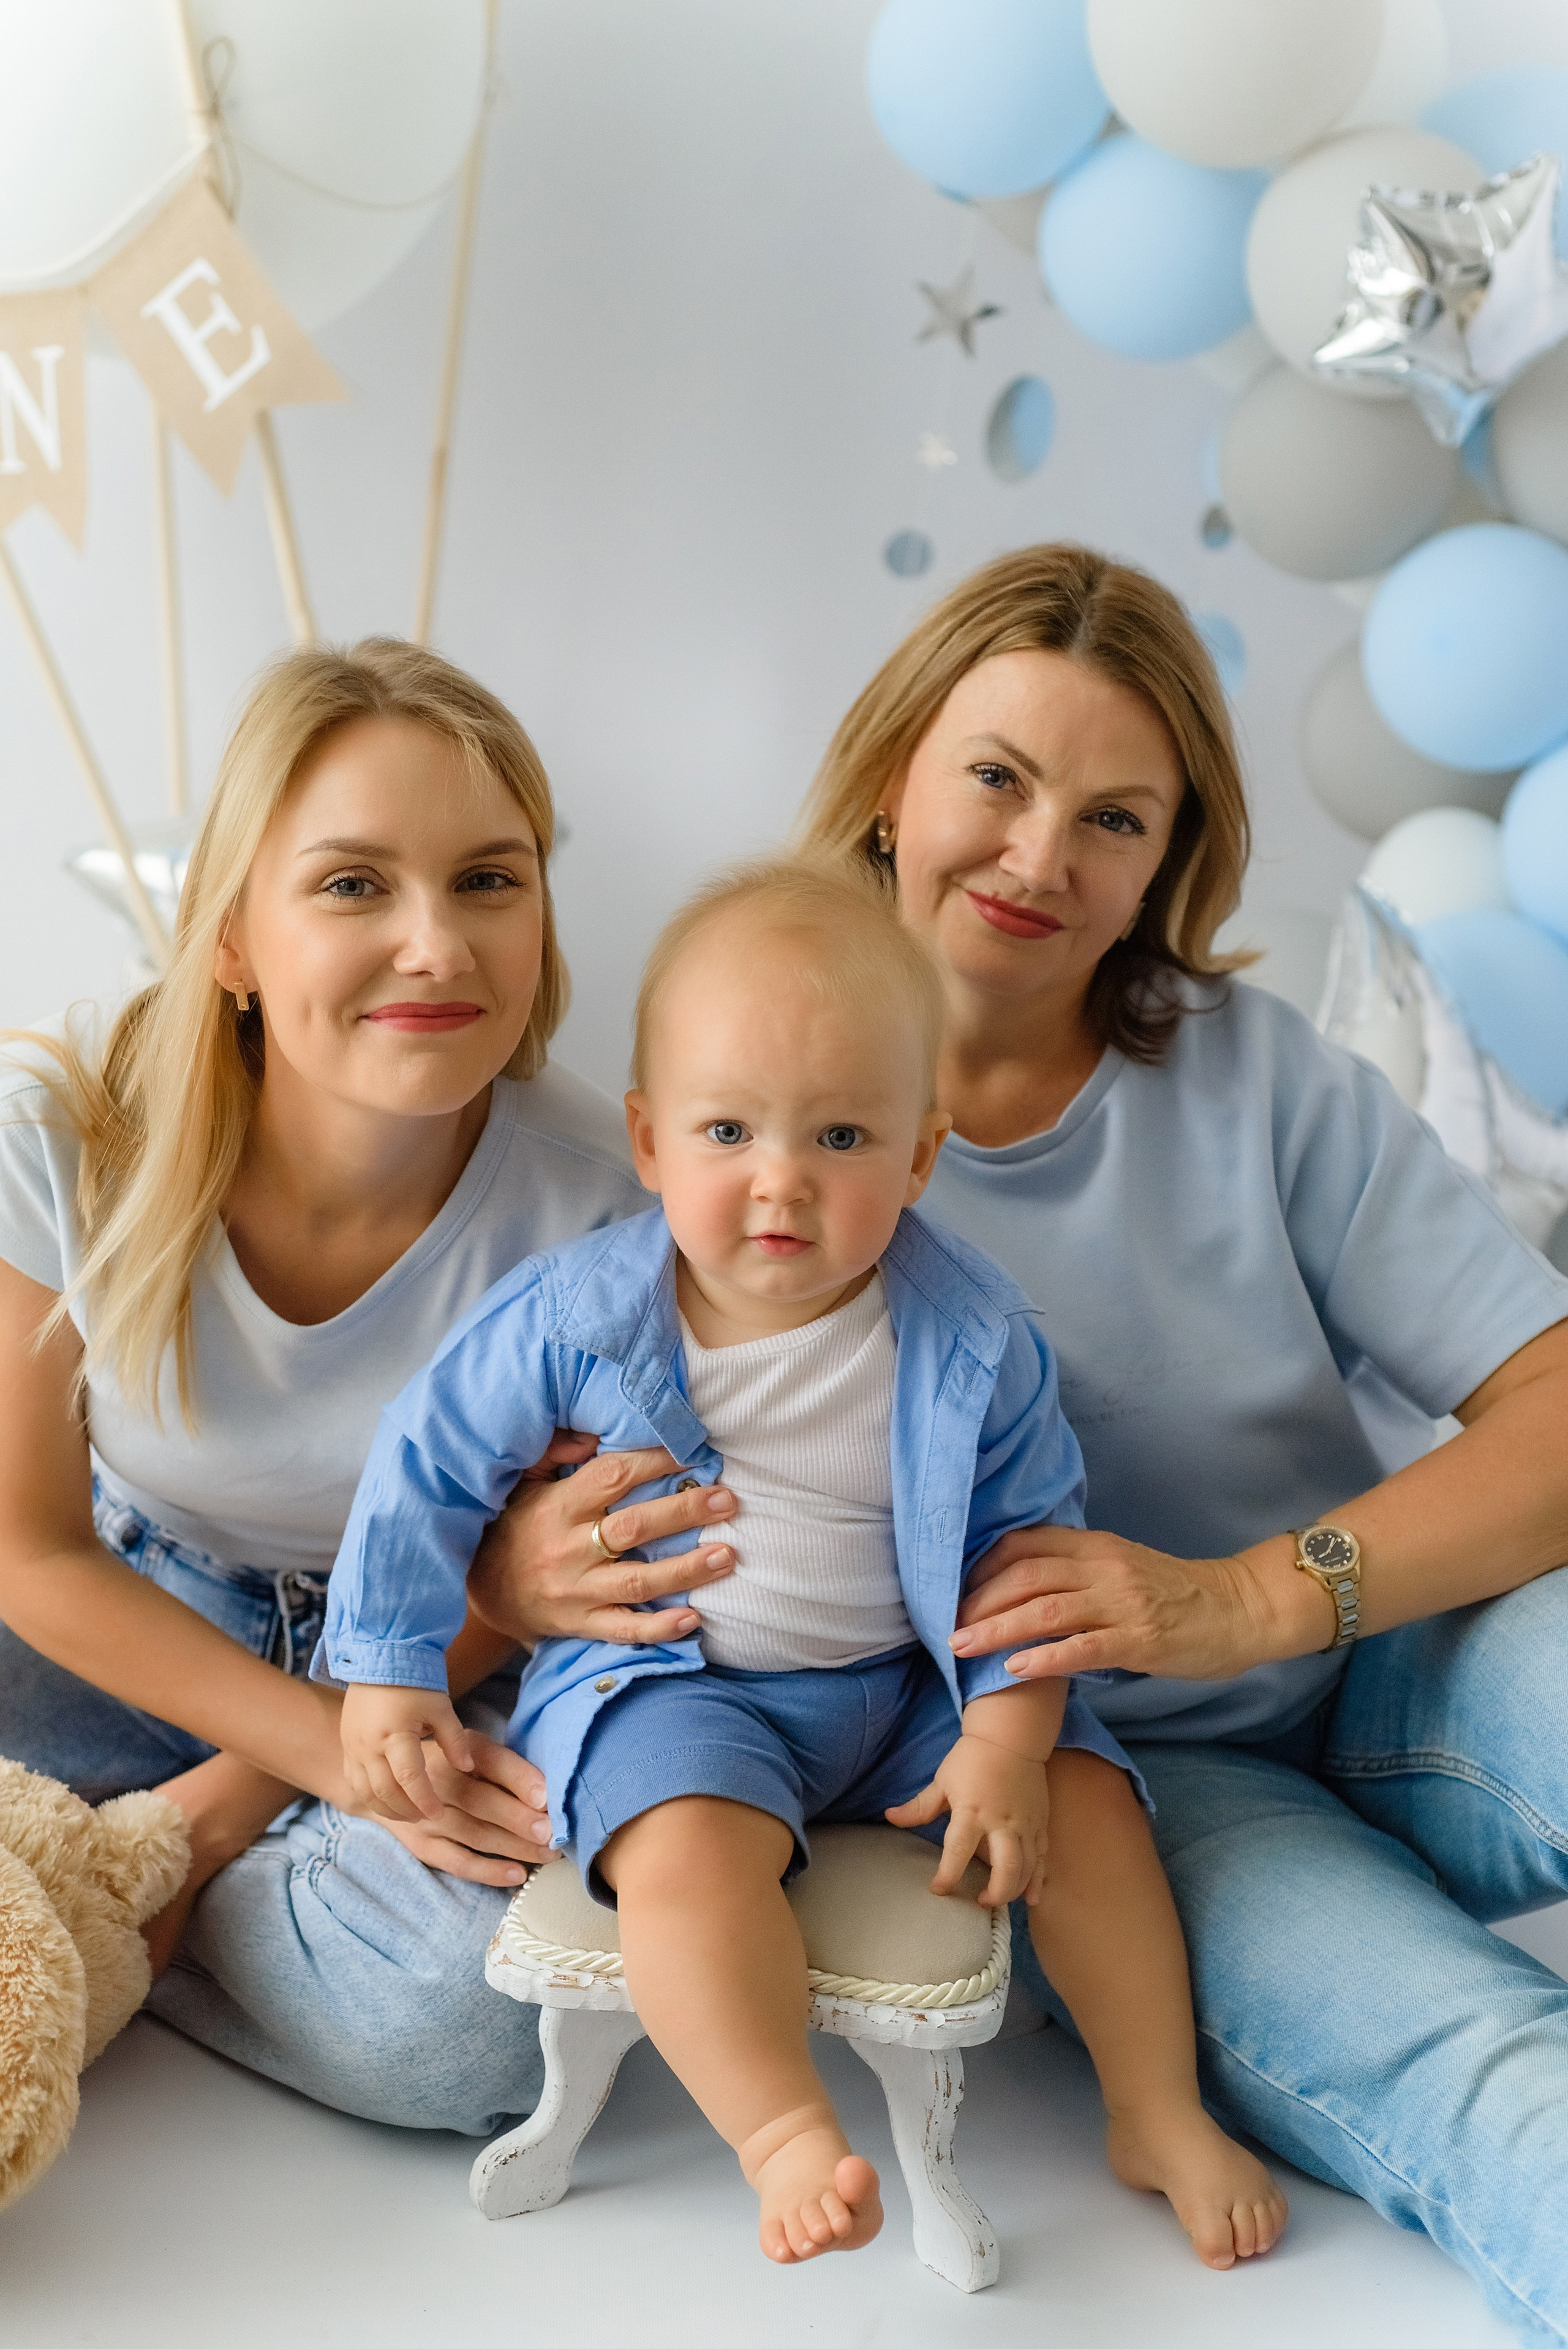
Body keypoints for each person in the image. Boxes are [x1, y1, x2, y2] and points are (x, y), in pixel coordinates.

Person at [469, 549, 1568, 2342]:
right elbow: (508, 1458)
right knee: (1487, 2069)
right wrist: (514, 1576)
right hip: (1122, 1786)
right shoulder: (724, 1124)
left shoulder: (1258, 1080)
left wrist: (1260, 1596)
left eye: (1115, 816)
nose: (1044, 855)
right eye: (998, 777)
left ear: (1167, 861)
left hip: (1394, 1646)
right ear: (894, 779)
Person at [320, 856, 1285, 2267]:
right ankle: (779, 2131)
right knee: (678, 1856)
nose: (781, 1183)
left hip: (908, 1685)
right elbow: (424, 1464)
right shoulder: (579, 1317)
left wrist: (1008, 1739)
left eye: (840, 1137)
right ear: (648, 1143)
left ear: (918, 1154)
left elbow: (1027, 1561)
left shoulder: (970, 1335)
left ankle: (1151, 2105)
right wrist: (388, 1670)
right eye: (728, 1131)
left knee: (1085, 1800)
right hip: (677, 1683)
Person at [0, 636, 724, 2132]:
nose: (437, 947)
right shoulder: (62, 1130)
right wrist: (294, 1756)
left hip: (436, 1665)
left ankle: (95, 1897)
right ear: (232, 938)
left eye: (488, 879)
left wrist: (217, 1812)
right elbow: (33, 1551)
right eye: (351, 885)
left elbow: (531, 1586)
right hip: (131, 1619)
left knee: (469, 2028)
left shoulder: (603, 1207)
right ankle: (139, 1878)